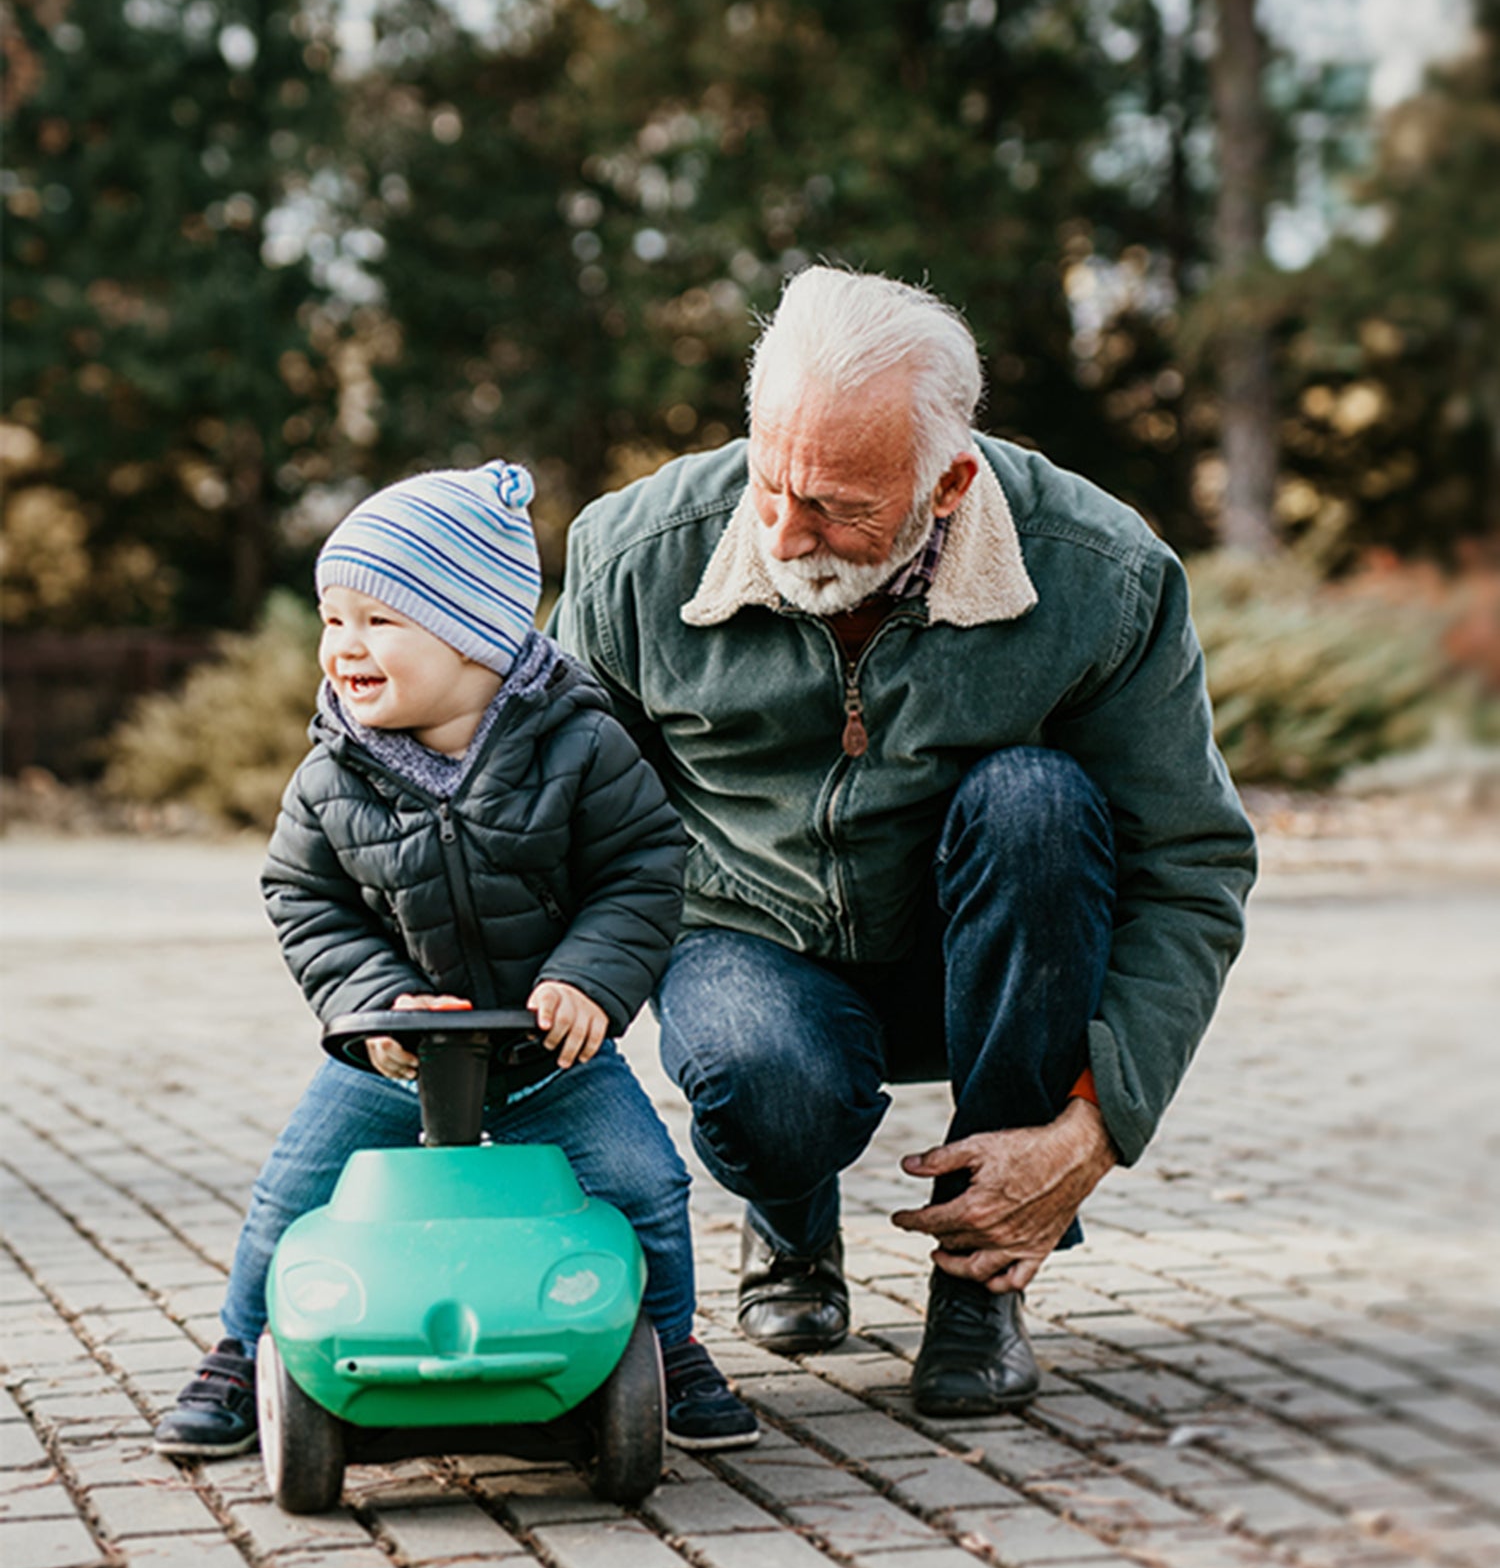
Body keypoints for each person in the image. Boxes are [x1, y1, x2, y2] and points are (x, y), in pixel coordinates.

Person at [551, 265, 1258, 1417]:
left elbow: (1191, 864)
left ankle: (985, 1278)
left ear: (949, 483)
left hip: (980, 953)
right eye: (769, 479)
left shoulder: (1105, 575)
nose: (784, 531)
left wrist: (1094, 1127)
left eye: (836, 505)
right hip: (745, 934)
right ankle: (788, 1212)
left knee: (1040, 801)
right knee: (761, 1082)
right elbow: (555, 809)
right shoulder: (631, 556)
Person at [152, 460, 758, 1459]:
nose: (345, 644)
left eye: (379, 620)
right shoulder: (331, 771)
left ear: (476, 631)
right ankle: (239, 1343)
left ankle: (672, 1343)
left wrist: (588, 979)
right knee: (296, 1182)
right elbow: (302, 894)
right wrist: (375, 1001)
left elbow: (645, 867)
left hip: (548, 1054)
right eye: (332, 617)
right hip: (397, 1057)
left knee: (644, 1178)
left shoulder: (583, 746)